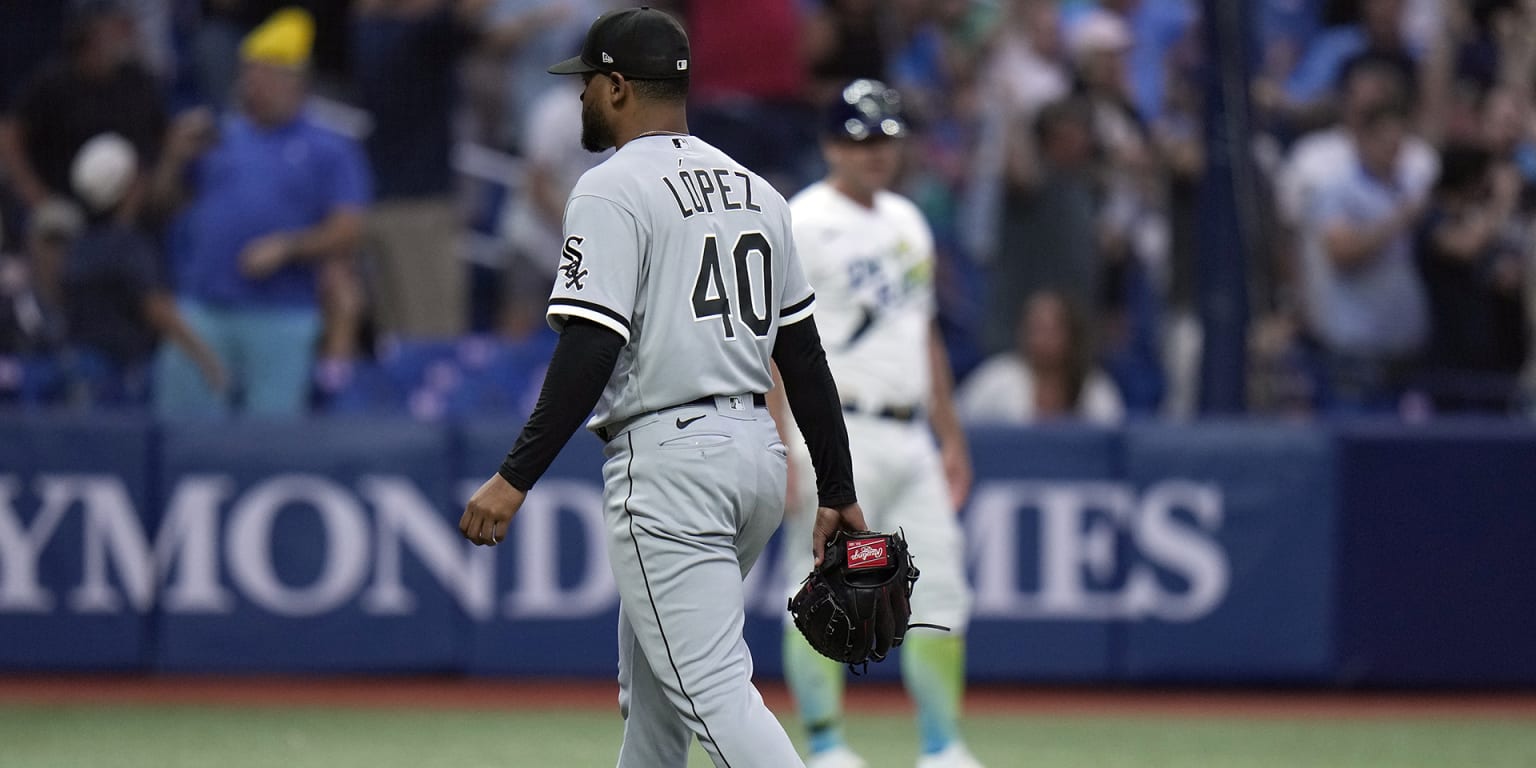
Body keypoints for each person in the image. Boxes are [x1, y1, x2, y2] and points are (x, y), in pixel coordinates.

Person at [456, 8, 867, 768]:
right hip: (754, 459)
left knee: (711, 690)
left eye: (587, 84)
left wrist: (514, 478)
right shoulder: (756, 190)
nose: (581, 98)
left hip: (672, 463)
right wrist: (837, 486)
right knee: (653, 708)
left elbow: (591, 346)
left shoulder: (611, 188)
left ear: (616, 87)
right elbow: (803, 358)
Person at [773, 79, 982, 768]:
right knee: (827, 590)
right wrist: (781, 438)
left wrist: (950, 434)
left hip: (909, 429)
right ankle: (827, 746)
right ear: (832, 143)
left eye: (885, 139)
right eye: (860, 139)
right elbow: (779, 343)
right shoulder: (803, 220)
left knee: (942, 586)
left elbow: (922, 335)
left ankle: (941, 747)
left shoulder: (906, 220)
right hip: (837, 432)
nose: (874, 153)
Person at [149, 8, 370, 418]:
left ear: (296, 81)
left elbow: (350, 229)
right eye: (249, 73)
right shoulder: (218, 137)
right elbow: (161, 206)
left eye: (266, 74)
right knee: (182, 434)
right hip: (204, 309)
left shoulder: (330, 148)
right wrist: (172, 158)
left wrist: (288, 248)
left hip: (282, 315)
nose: (253, 84)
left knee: (267, 440)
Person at [62, 133, 224, 407]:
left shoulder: (79, 244)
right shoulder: (128, 245)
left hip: (79, 365)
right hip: (118, 374)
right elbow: (156, 309)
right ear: (131, 186)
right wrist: (207, 360)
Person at [958, 289, 1123, 425]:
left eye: (1050, 328)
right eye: (1035, 328)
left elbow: (1113, 435)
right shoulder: (998, 379)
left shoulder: (1096, 389)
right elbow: (955, 422)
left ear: (1071, 334)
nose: (1041, 337)